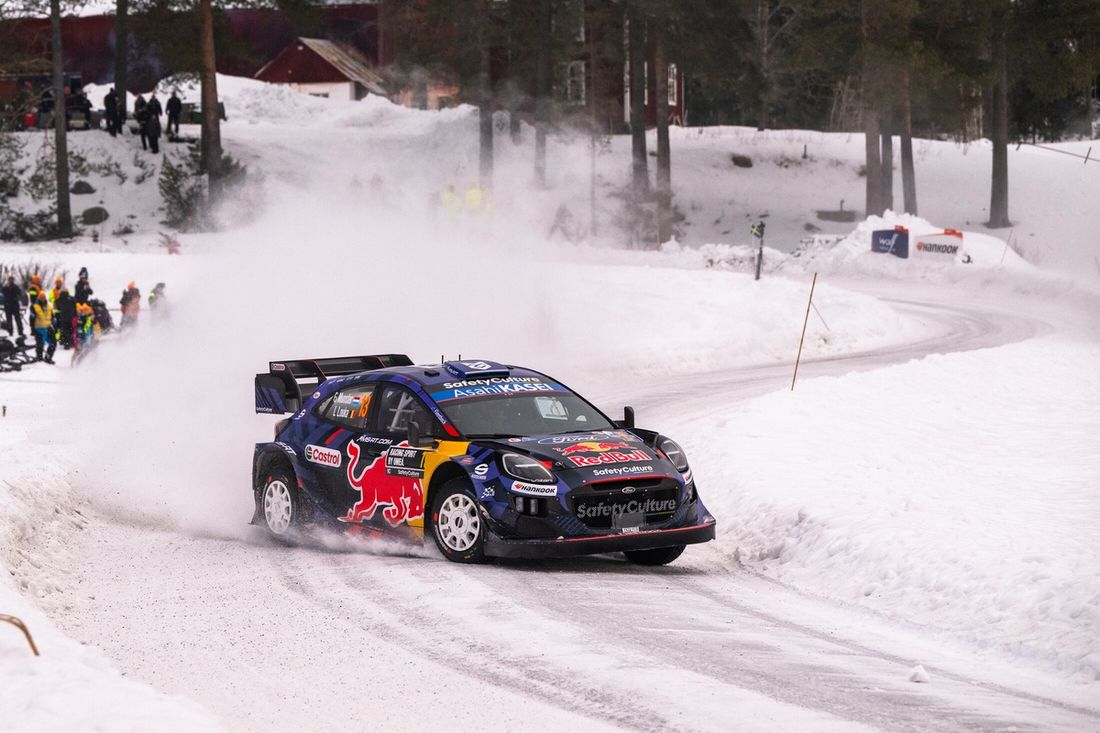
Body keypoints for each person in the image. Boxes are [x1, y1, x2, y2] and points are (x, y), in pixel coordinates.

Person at [31, 292, 55, 363]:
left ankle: (48, 358)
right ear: (38, 298)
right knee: (40, 345)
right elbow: (31, 319)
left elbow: (52, 318)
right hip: (39, 328)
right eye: (41, 297)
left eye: (44, 297)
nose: (42, 298)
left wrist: (54, 325)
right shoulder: (34, 307)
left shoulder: (49, 307)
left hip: (47, 328)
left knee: (53, 343)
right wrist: (32, 329)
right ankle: (39, 359)